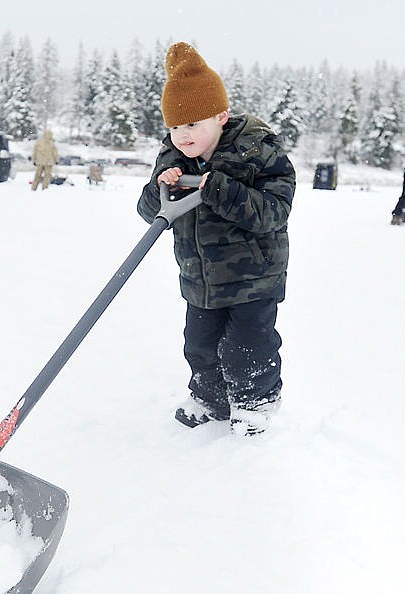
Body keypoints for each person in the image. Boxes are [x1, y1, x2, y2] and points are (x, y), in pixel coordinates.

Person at [137, 42, 296, 436]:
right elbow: (149, 212)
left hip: (254, 278)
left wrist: (221, 190)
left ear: (221, 116)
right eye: (175, 127)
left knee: (247, 347)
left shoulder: (257, 152)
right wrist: (161, 188)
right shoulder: (173, 158)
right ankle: (212, 401)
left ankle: (255, 404)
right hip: (200, 279)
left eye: (192, 125)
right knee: (199, 346)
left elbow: (273, 212)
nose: (182, 135)